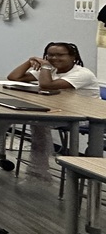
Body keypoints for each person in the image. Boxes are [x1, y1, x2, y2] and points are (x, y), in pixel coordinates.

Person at [6, 42, 100, 180]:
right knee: (8, 116)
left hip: (83, 117)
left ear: (73, 57)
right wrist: (29, 61)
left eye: (60, 55)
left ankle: (38, 168)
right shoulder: (51, 69)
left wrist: (45, 66)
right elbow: (14, 77)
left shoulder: (82, 74)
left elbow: (46, 85)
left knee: (38, 122)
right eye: (50, 55)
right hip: (59, 111)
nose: (54, 58)